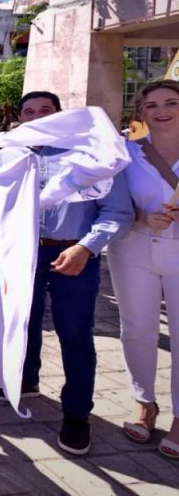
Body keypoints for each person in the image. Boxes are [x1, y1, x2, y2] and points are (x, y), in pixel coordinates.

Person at [0, 90, 132, 456]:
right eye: (29, 111)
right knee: (23, 323)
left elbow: (118, 211)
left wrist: (86, 247)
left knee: (75, 335)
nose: (37, 117)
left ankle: (77, 414)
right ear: (20, 118)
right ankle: (26, 379)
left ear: (60, 114)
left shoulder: (92, 154)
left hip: (74, 254)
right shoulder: (8, 154)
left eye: (46, 110)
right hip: (23, 254)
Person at [105, 81, 179, 457]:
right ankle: (144, 403)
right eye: (152, 105)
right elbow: (110, 200)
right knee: (137, 328)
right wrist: (142, 217)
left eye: (171, 103)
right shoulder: (127, 153)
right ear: (141, 112)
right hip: (133, 246)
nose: (161, 111)